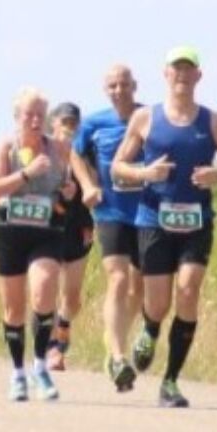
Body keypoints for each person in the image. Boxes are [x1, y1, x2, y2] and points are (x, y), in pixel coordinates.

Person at [111, 46, 217, 409]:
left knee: (188, 290)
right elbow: (119, 166)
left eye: (189, 69)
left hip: (197, 221)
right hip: (154, 221)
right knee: (158, 302)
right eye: (176, 69)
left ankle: (170, 380)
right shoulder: (145, 119)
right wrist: (145, 173)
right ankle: (150, 327)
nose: (182, 75)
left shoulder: (215, 122)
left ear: (199, 76)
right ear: (166, 74)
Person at [0, 88, 76, 402]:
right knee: (13, 308)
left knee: (45, 287)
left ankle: (40, 366)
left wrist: (69, 189)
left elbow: (68, 187)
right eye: (29, 115)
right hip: (9, 231)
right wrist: (25, 173)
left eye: (40, 115)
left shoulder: (59, 149)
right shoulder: (6, 148)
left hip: (46, 231)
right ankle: (17, 372)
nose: (35, 121)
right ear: (17, 118)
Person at [72, 65, 145, 391]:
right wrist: (88, 185)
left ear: (135, 85)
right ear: (106, 90)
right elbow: (75, 155)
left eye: (124, 84)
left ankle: (117, 338)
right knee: (117, 278)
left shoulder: (149, 117)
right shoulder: (93, 122)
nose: (119, 90)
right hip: (110, 211)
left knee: (138, 287)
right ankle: (117, 356)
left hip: (145, 212)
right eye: (113, 86)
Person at [46, 103, 91, 370]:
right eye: (64, 122)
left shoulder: (85, 151)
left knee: (72, 297)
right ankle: (54, 347)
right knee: (47, 289)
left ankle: (63, 327)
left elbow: (96, 183)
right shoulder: (43, 152)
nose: (69, 128)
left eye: (74, 123)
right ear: (53, 123)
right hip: (49, 226)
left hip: (78, 227)